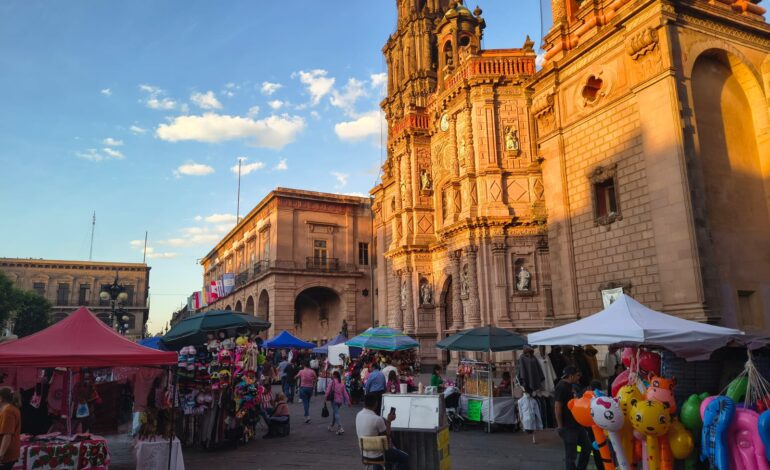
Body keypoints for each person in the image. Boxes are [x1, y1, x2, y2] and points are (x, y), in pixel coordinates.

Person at [355, 393, 410, 470]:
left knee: (379, 451)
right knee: (405, 458)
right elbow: (386, 441)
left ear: (364, 403)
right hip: (379, 455)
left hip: (365, 454)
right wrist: (389, 421)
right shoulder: (377, 419)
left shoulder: (358, 415)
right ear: (376, 403)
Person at [554, 366, 592, 470]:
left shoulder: (572, 385)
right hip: (568, 426)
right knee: (571, 455)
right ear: (571, 376)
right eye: (577, 375)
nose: (578, 378)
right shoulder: (561, 386)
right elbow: (557, 407)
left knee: (587, 447)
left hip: (577, 425)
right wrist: (560, 426)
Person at [325, 371, 351, 435]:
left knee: (336, 413)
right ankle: (331, 425)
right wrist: (349, 401)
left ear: (334, 375)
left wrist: (325, 398)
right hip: (340, 401)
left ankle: (340, 427)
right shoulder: (341, 383)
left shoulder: (332, 382)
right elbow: (345, 393)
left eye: (332, 375)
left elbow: (328, 390)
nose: (332, 375)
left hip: (334, 400)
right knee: (335, 412)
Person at [0, 388, 20, 470]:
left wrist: (1, 455)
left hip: (6, 454)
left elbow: (7, 435)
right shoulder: (9, 409)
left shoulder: (8, 411)